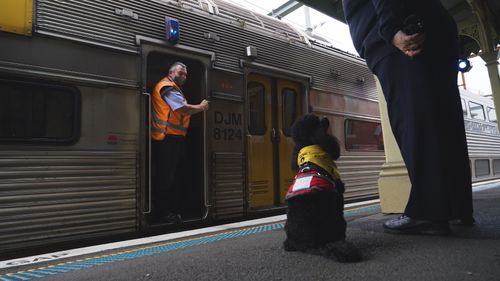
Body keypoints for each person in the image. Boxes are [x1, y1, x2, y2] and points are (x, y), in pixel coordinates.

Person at [343, 0, 474, 235]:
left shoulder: (394, 34)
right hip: (433, 29)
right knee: (445, 122)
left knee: (414, 122)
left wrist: (391, 29)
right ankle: (458, 207)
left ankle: (430, 213)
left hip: (400, 38)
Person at [151, 62, 209, 224]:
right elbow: (181, 109)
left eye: (185, 74)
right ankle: (162, 213)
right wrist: (201, 106)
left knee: (169, 176)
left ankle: (169, 209)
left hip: (172, 138)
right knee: (165, 178)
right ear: (170, 72)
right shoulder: (167, 87)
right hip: (167, 139)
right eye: (180, 73)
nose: (183, 76)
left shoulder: (174, 88)